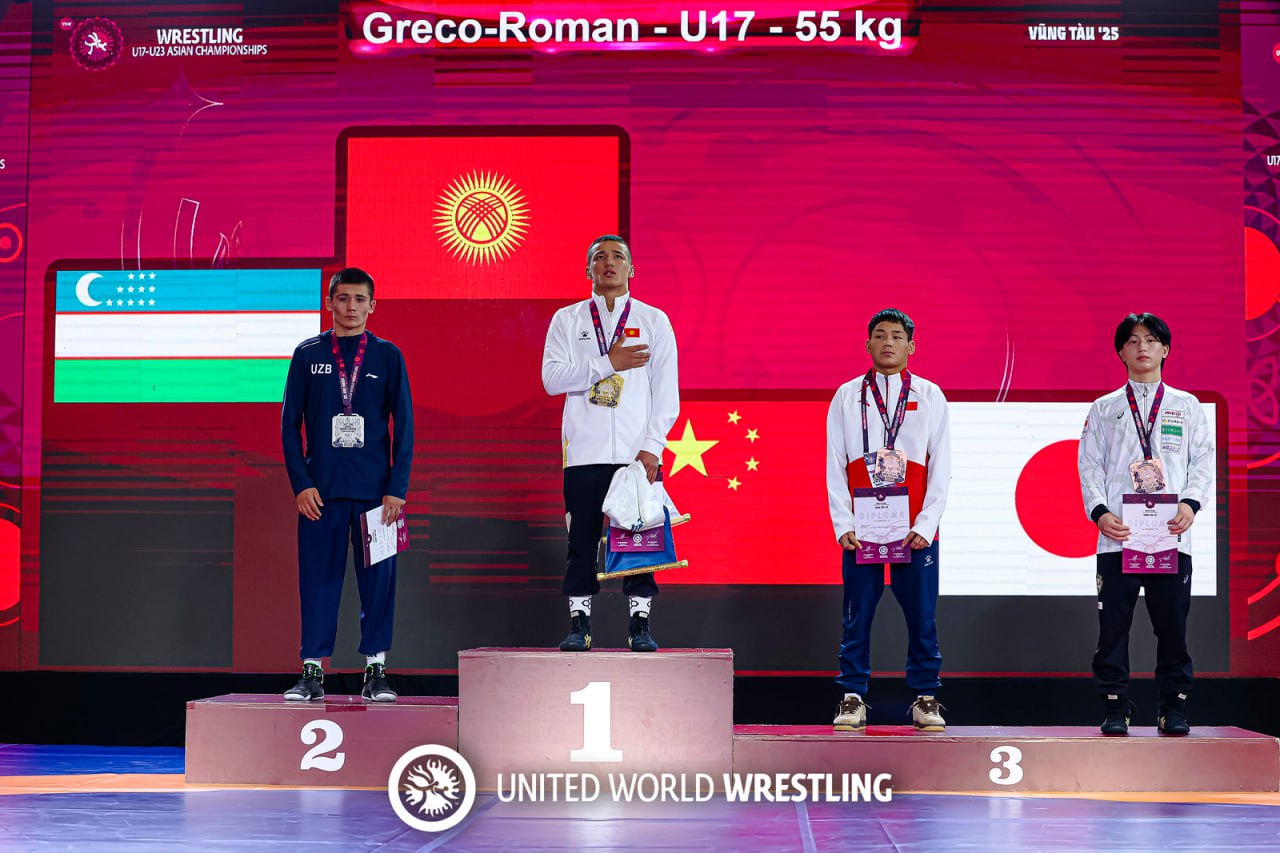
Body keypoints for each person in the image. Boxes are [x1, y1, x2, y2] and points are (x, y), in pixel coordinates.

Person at [280, 267, 414, 702]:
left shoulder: (388, 356)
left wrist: (397, 487)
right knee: (318, 582)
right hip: (320, 495)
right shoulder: (308, 354)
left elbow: (404, 426)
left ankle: (376, 671)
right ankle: (311, 672)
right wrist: (301, 484)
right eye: (343, 298)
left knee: (379, 585)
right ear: (329, 303)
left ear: (372, 305)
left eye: (359, 299)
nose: (351, 307)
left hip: (378, 497)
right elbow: (289, 425)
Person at [542, 235, 679, 652]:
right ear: (587, 270)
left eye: (618, 256)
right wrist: (608, 363)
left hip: (638, 454)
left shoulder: (654, 320)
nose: (609, 263)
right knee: (581, 541)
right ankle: (579, 622)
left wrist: (653, 446)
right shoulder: (567, 320)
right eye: (599, 257)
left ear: (631, 269)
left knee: (640, 539)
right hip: (584, 452)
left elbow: (666, 392)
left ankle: (640, 624)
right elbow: (552, 379)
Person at [1078, 313, 1213, 735]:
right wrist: (1100, 512)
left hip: (1170, 536)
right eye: (1133, 341)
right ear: (1120, 351)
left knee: (1172, 629)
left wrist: (1190, 504)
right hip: (1118, 537)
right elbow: (1089, 465)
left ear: (1165, 349)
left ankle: (1173, 708)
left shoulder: (1187, 406)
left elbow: (1202, 461)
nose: (1142, 347)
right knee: (1113, 631)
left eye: (1151, 340)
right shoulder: (1104, 408)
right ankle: (1115, 708)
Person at [826, 308, 952, 731]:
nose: (887, 342)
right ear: (867, 344)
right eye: (879, 335)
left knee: (922, 615)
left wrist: (926, 524)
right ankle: (852, 696)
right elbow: (834, 463)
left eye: (897, 336)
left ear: (911, 346)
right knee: (856, 613)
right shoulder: (846, 396)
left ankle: (926, 696)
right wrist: (843, 523)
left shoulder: (930, 395)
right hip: (862, 529)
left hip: (915, 529)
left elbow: (941, 465)